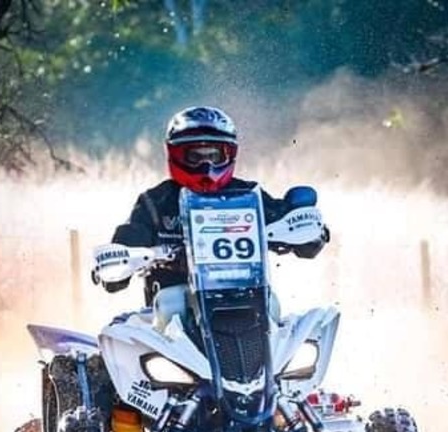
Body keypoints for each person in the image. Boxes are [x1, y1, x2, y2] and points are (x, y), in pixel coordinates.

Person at [103, 105, 329, 326]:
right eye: (195, 156)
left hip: (248, 299)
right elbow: (128, 241)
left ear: (229, 154)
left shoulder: (249, 195)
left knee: (282, 311)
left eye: (214, 155)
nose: (206, 165)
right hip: (173, 319)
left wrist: (311, 230)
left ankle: (275, 361)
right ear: (175, 154)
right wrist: (119, 258)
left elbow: (296, 232)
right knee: (120, 332)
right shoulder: (154, 202)